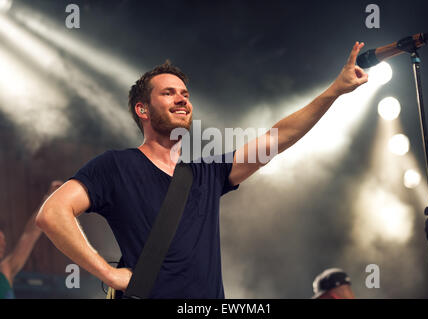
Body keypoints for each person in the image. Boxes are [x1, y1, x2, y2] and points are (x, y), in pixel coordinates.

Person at [36, 42, 368, 298]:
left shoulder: (206, 171)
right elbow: (52, 213)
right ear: (143, 110)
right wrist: (107, 274)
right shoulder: (115, 166)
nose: (182, 99)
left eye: (185, 94)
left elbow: (278, 138)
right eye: (168, 93)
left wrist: (334, 91)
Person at [0, 181, 63, 299]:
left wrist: (48, 201)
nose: (2, 246)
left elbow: (30, 234)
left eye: (3, 244)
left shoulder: (5, 270)